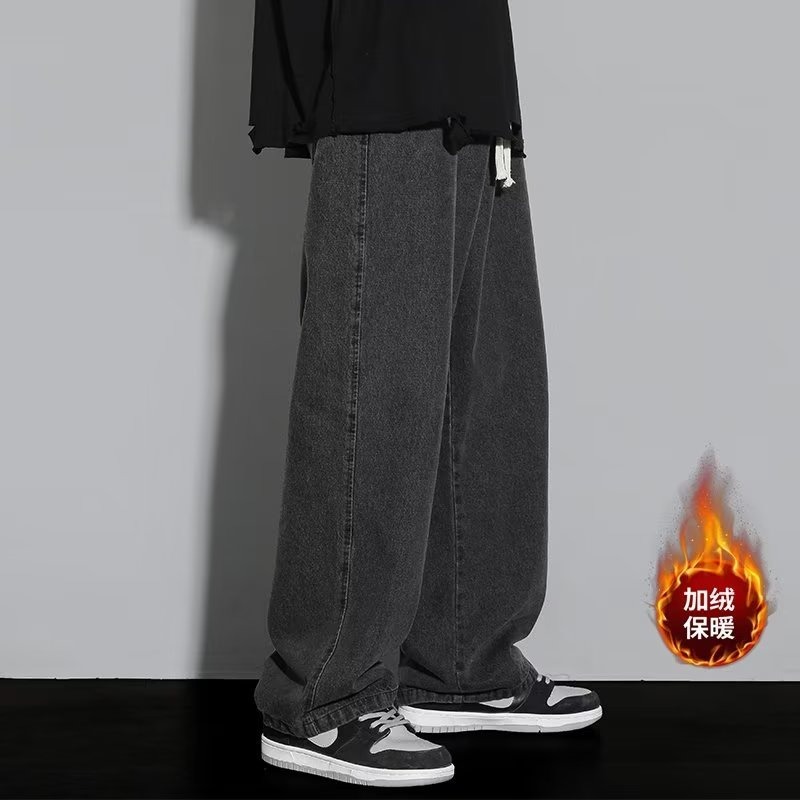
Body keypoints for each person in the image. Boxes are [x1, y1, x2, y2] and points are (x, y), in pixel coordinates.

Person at [248, 0, 602, 788]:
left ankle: (460, 660)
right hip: (381, 53)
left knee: (488, 375)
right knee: (374, 377)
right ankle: (326, 694)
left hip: (470, 68)